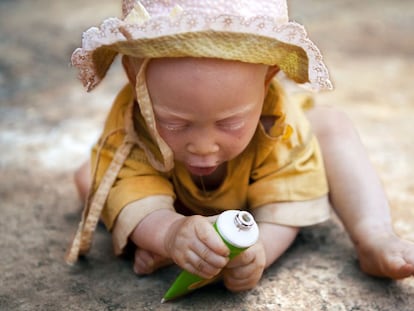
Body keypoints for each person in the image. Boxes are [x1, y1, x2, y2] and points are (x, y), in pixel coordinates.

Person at [66, 0, 414, 292]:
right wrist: (167, 232)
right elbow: (130, 187)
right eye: (175, 123)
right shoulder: (133, 123)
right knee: (93, 177)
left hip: (261, 187)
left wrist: (257, 250)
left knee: (332, 124)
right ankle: (175, 240)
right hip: (169, 197)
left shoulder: (279, 122)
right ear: (135, 76)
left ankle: (374, 235)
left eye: (229, 123)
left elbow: (286, 200)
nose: (203, 147)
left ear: (267, 80)